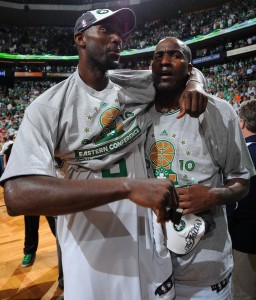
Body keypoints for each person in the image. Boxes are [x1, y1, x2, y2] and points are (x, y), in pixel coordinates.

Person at [1, 9, 206, 300]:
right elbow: (17, 195)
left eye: (120, 33)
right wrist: (127, 187)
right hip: (91, 247)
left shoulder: (134, 84)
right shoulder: (48, 106)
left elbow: (183, 68)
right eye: (106, 30)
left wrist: (196, 83)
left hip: (146, 235)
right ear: (80, 39)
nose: (117, 38)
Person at [144, 37, 255, 299]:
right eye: (158, 56)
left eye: (175, 55)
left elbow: (242, 181)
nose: (165, 61)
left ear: (190, 66)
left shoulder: (220, 112)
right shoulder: (139, 113)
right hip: (152, 268)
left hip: (205, 274)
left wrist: (213, 195)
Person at [227, 100, 256, 300]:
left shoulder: (241, 155)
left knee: (243, 294)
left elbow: (234, 204)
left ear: (243, 123)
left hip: (246, 240)